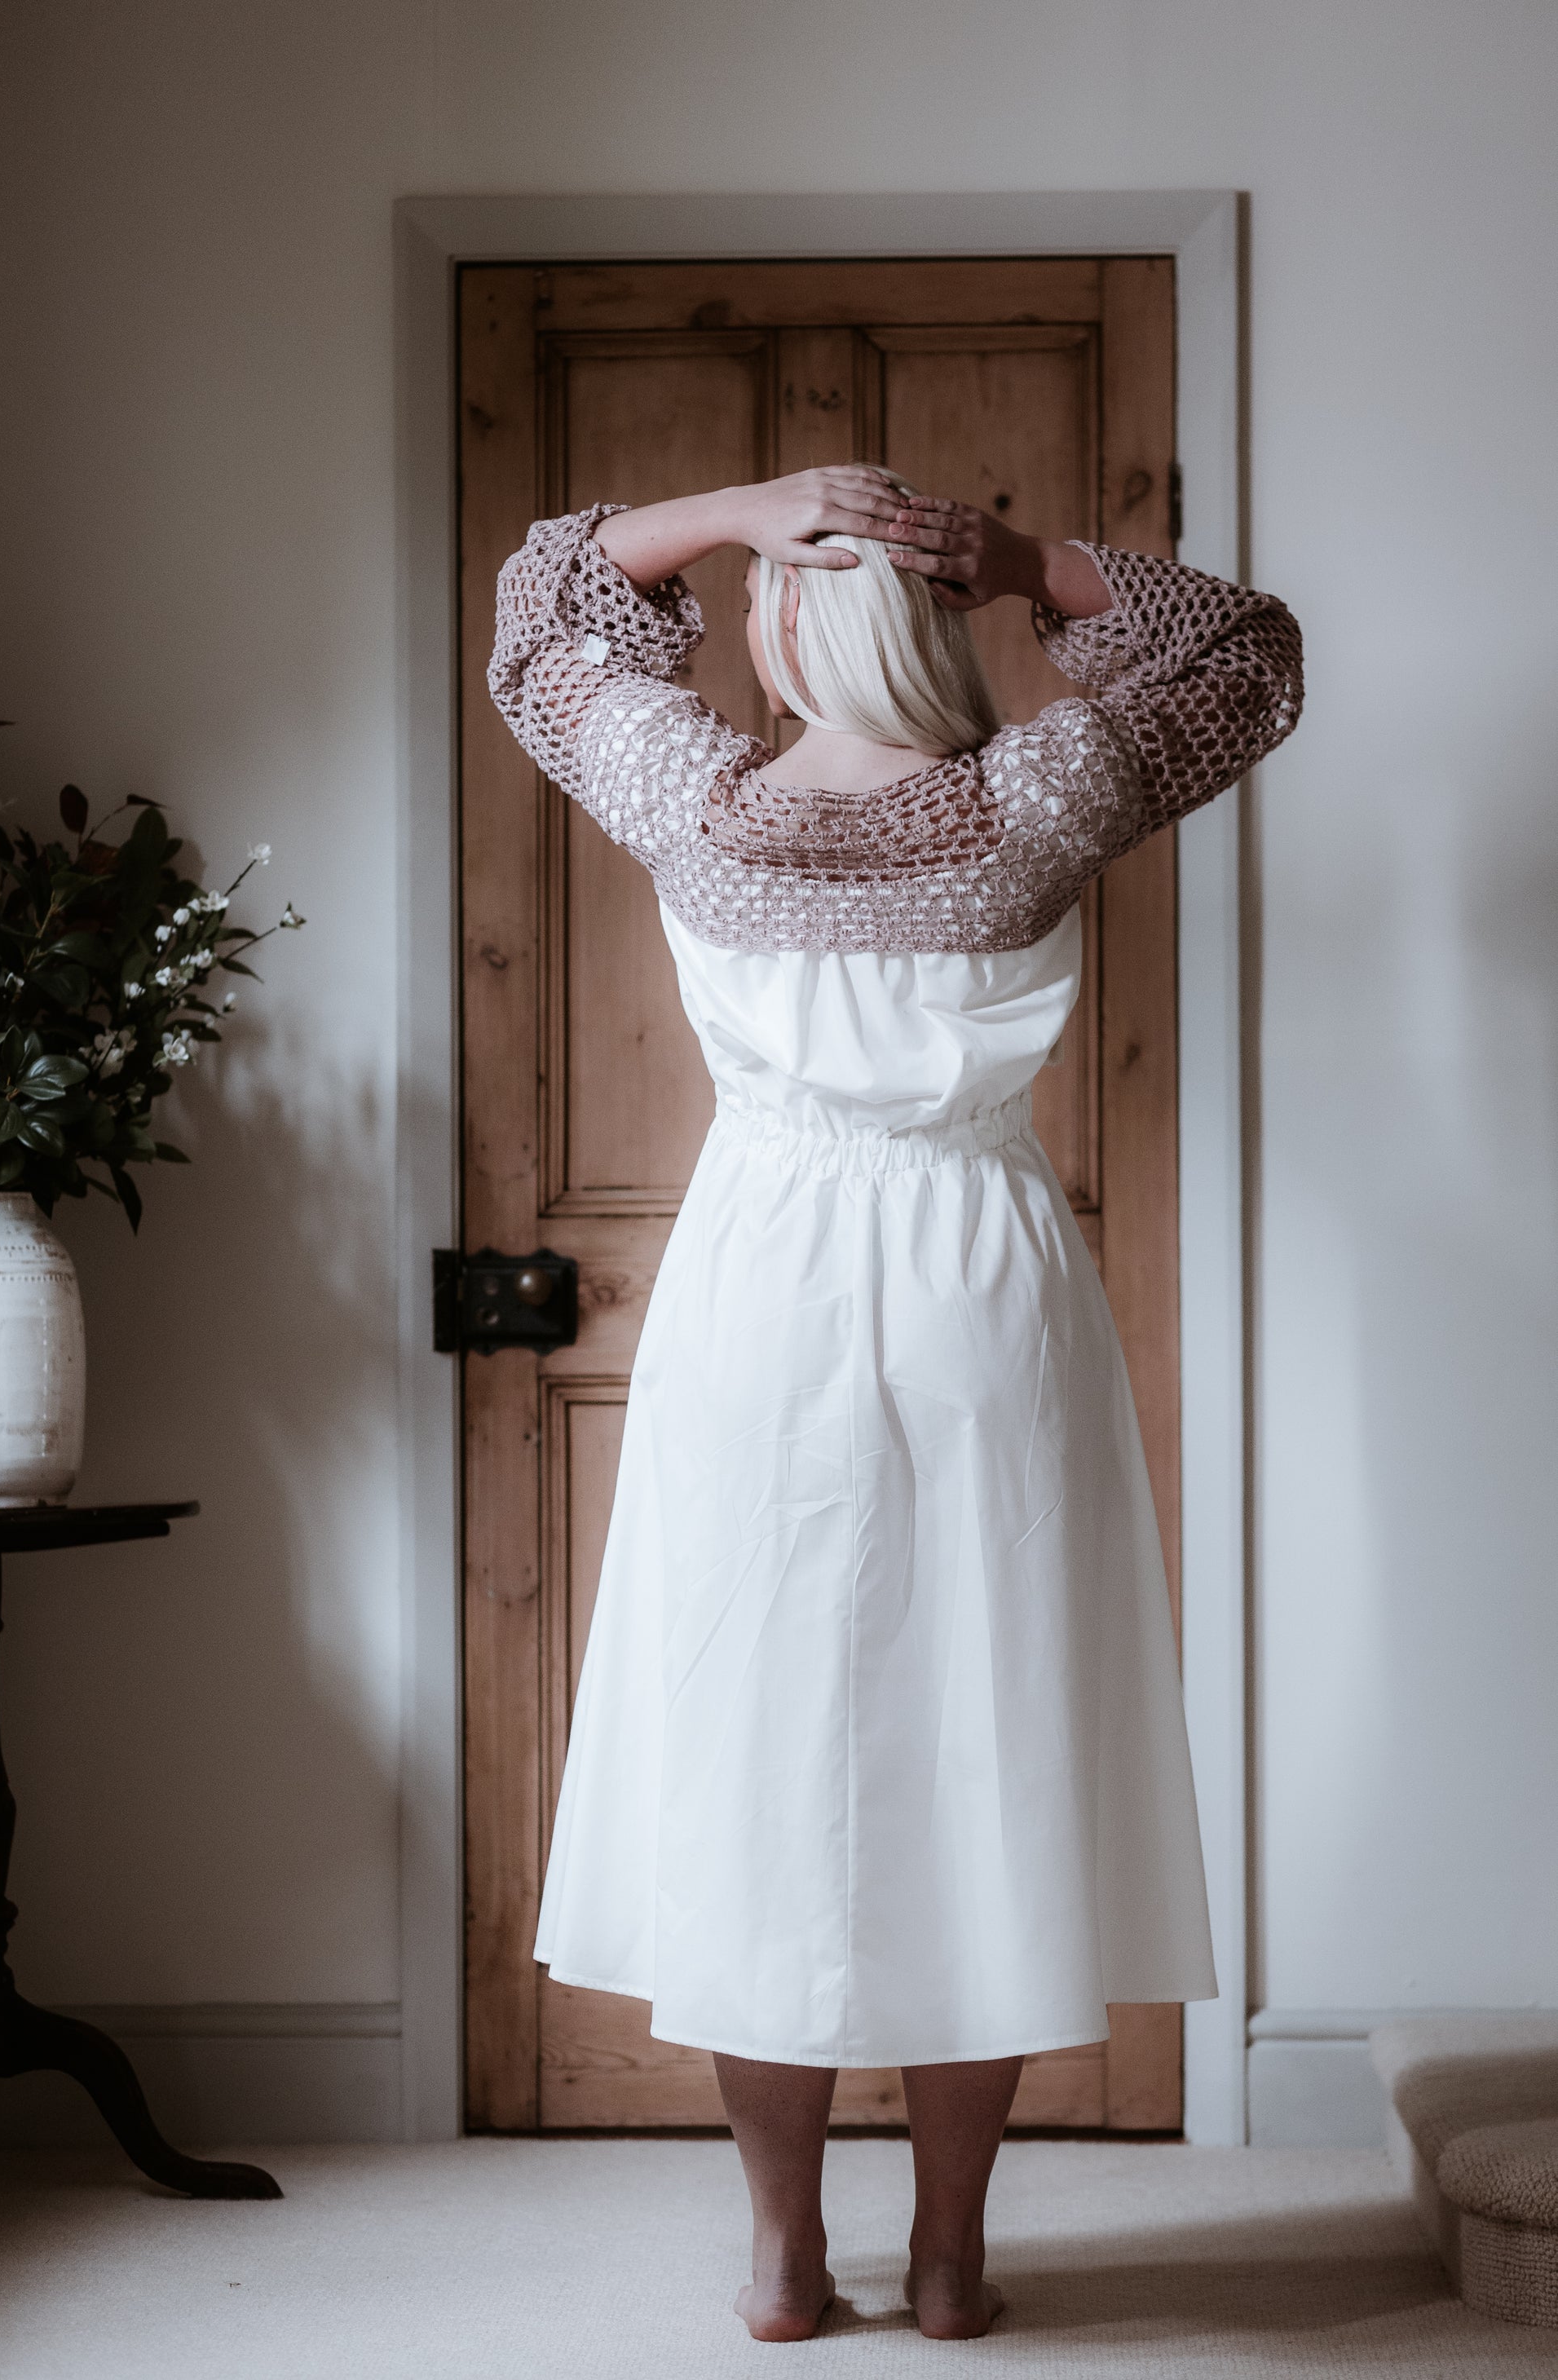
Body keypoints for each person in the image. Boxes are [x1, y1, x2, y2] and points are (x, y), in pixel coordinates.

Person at [488, 468, 1303, 2341]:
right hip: (979, 1277)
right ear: (933, 622)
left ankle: (781, 2251)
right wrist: (1019, 561)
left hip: (761, 1282)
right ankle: (947, 2253)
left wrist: (731, 508)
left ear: (780, 625)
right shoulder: (1037, 798)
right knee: (980, 1752)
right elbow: (1241, 652)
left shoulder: (688, 798)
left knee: (764, 1756)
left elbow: (544, 607)